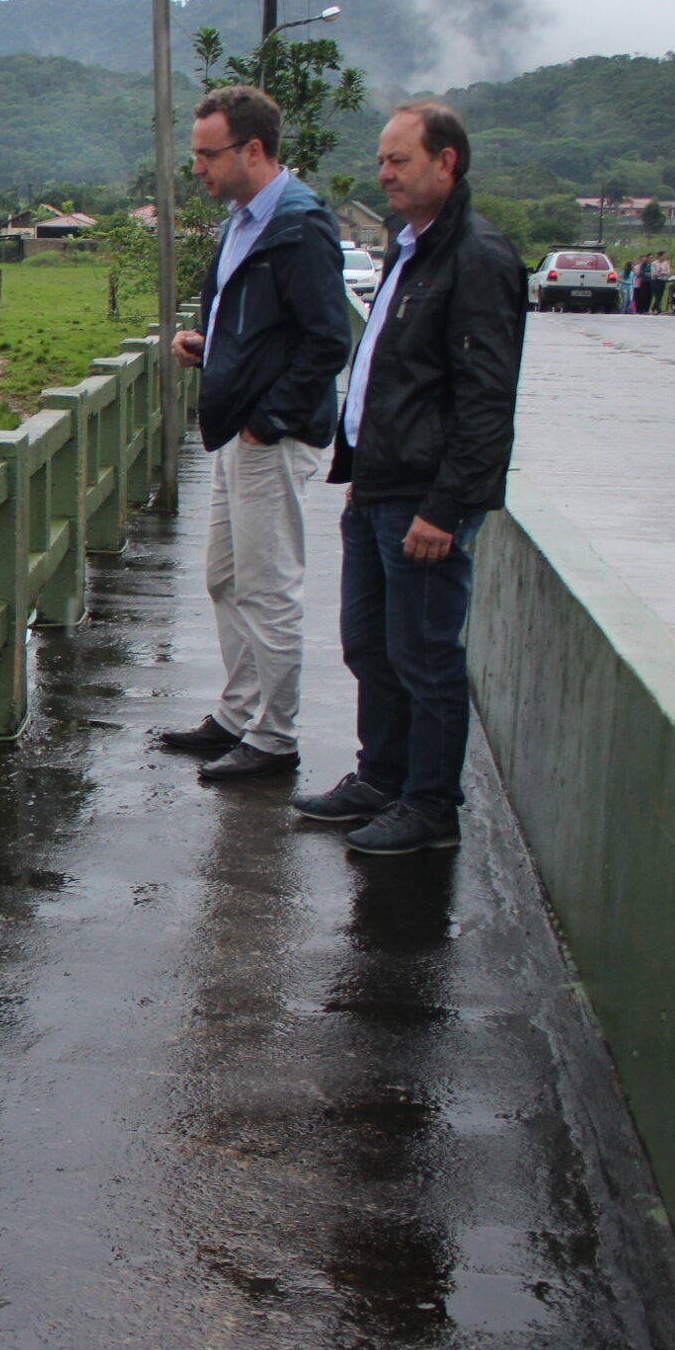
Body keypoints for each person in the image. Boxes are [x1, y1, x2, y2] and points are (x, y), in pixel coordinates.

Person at [293, 101, 526, 853]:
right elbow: (390, 374)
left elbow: (485, 400)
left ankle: (430, 808)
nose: (383, 173)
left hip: (426, 501)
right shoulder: (410, 246)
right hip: (380, 488)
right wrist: (361, 468)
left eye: (399, 160)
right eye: (384, 160)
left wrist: (447, 505)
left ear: (446, 163)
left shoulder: (478, 258)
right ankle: (382, 776)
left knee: (426, 655)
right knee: (371, 645)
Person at [154, 85, 354, 781]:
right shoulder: (245, 220)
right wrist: (210, 346)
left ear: (254, 150)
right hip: (238, 428)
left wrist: (269, 422)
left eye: (208, 155)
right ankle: (239, 713)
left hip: (267, 435)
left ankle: (275, 737)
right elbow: (267, 330)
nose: (198, 168)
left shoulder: (299, 226)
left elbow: (329, 340)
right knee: (224, 577)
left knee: (269, 588)